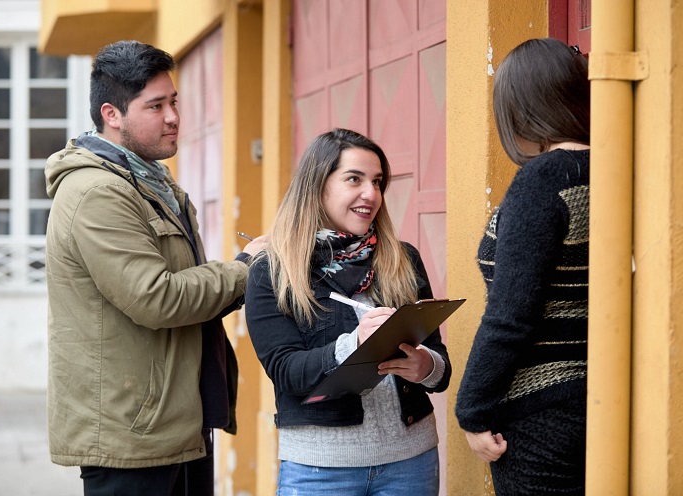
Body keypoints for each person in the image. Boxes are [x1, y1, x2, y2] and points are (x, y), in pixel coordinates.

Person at [45, 40, 266, 496]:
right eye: (156, 105)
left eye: (174, 101)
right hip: (132, 435)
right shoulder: (97, 194)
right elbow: (156, 298)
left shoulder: (151, 182)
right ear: (112, 114)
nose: (173, 117)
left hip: (174, 421)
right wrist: (247, 270)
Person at [244, 128, 451, 495]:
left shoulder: (403, 259)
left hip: (412, 462)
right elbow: (285, 369)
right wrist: (354, 343)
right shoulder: (271, 270)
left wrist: (427, 367)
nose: (370, 194)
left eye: (377, 182)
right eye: (354, 179)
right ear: (317, 185)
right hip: (319, 470)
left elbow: (439, 363)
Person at [455, 38, 590, 495]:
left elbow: (512, 314)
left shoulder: (544, 179)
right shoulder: (615, 167)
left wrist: (472, 410)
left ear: (521, 106)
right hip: (605, 396)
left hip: (541, 413)